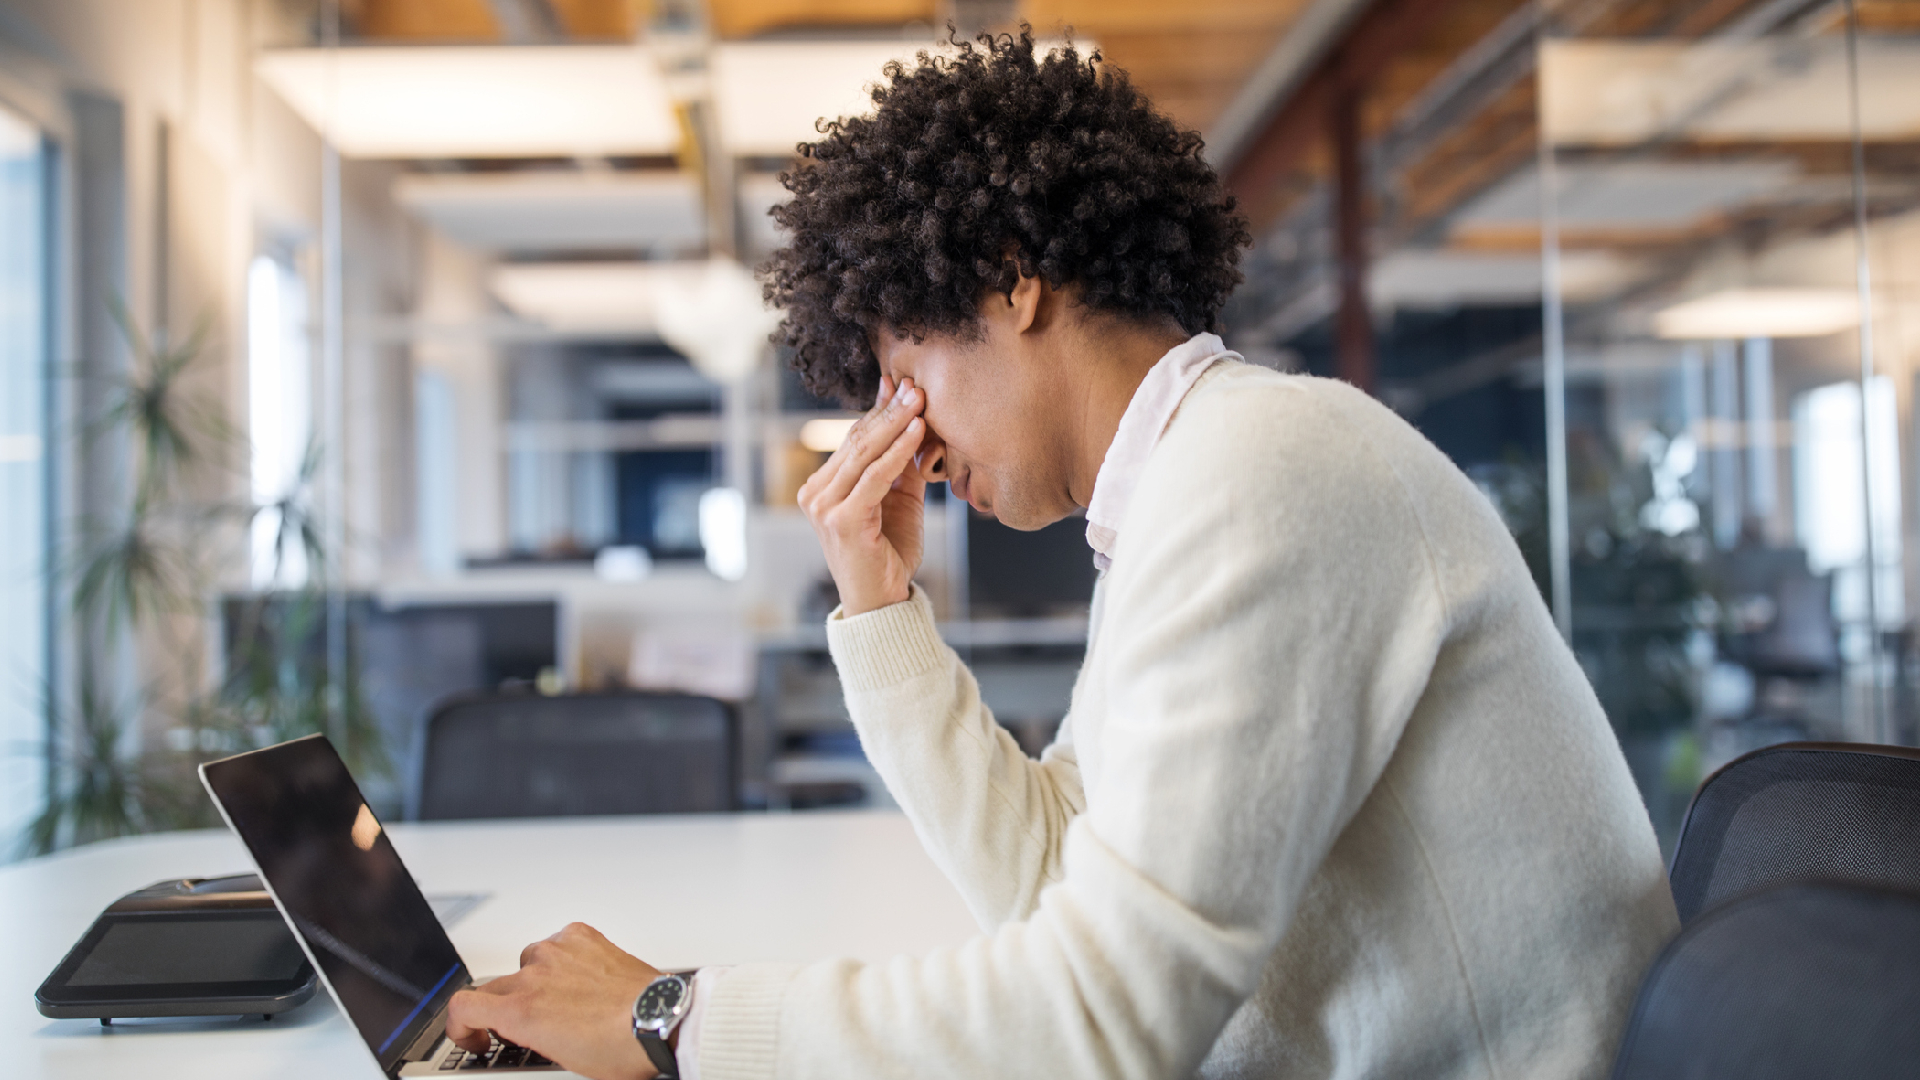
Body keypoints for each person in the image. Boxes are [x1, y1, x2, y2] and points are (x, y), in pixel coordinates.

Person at [445, 30, 1678, 1080]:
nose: (904, 441)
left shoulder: (1267, 472)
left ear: (1012, 282)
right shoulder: (1187, 491)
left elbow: (1103, 1022)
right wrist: (882, 613)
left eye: (904, 377)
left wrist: (676, 1021)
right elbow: (1051, 887)